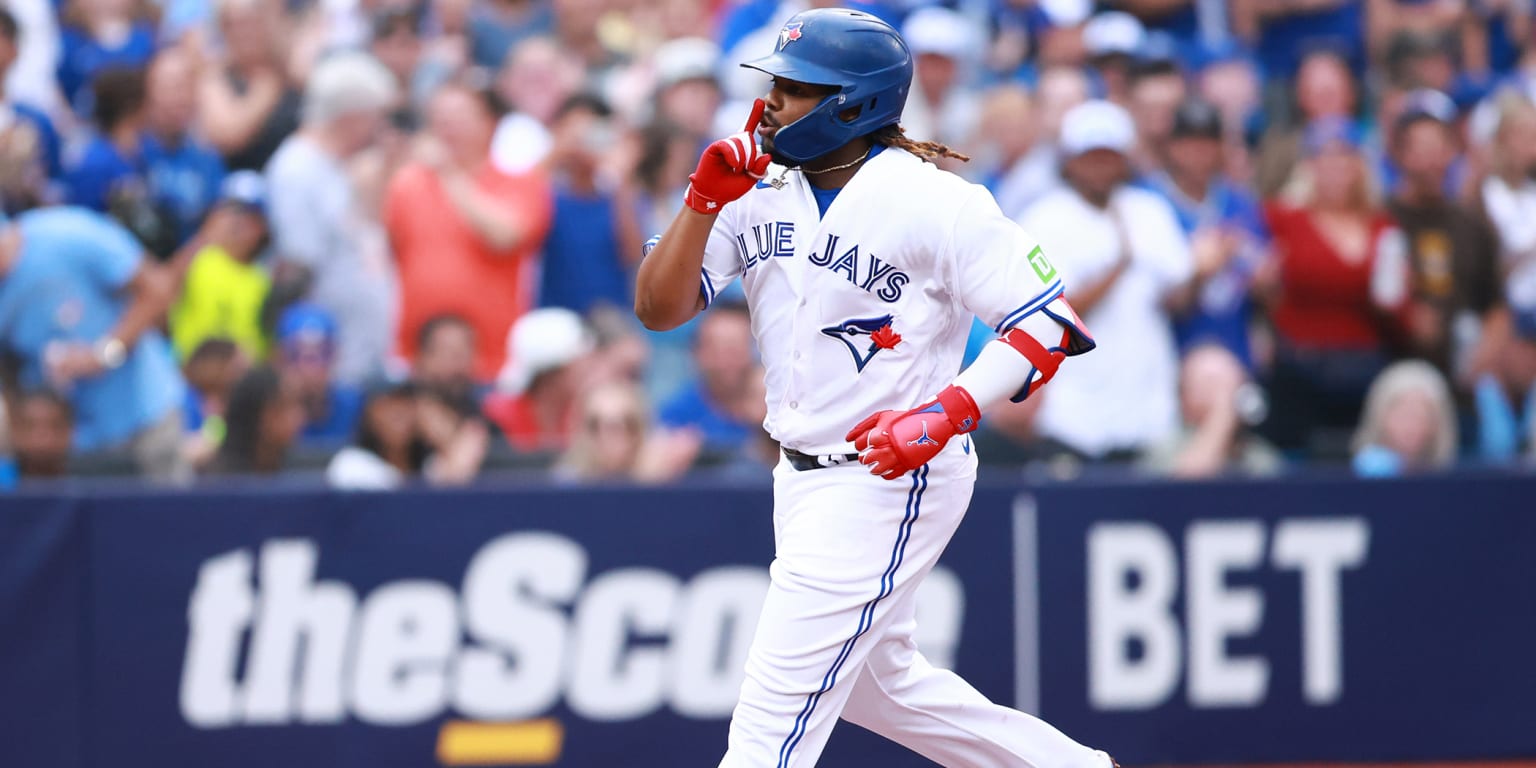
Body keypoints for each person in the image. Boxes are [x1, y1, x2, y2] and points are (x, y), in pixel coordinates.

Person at [634, 10, 1109, 767]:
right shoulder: (752, 184)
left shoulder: (935, 200)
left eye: (796, 87)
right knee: (876, 690)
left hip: (889, 474)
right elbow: (659, 309)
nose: (772, 101)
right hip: (799, 473)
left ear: (853, 103)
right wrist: (701, 199)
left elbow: (1048, 325)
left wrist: (950, 410)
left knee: (765, 733)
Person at [1020, 99, 1194, 463]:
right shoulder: (1044, 218)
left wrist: (1198, 275)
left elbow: (1180, 298)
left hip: (1147, 405)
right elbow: (1056, 311)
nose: (1100, 167)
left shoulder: (1149, 210)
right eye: (1091, 156)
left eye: (1109, 156)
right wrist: (1119, 266)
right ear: (1070, 160)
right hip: (1073, 414)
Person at [0, 206, 188, 480]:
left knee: (165, 517)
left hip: (142, 417)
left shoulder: (69, 234)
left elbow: (158, 289)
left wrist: (104, 354)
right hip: (59, 444)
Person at [1260, 117, 1409, 456]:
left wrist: (1397, 305)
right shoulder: (1281, 218)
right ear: (1308, 166)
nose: (1335, 168)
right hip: (1299, 367)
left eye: (1345, 157)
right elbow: (1253, 270)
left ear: (1360, 166)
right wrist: (1263, 289)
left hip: (1366, 366)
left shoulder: (1382, 226)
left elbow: (1398, 309)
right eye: (1325, 158)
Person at [384, 82, 552, 381]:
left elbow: (506, 236)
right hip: (417, 358)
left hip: (492, 360)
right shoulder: (407, 183)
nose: (447, 128)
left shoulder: (520, 182)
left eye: (459, 118)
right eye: (440, 119)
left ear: (490, 123)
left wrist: (449, 174)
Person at [265, 51, 400, 386]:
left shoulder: (339, 166)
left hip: (365, 361)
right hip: (331, 368)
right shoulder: (297, 169)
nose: (379, 129)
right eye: (375, 117)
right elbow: (298, 269)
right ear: (351, 116)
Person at [1385, 89, 1503, 385]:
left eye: (1438, 147)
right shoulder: (1380, 219)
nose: (1429, 161)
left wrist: (1482, 357)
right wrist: (1407, 316)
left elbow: (1496, 306)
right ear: (1398, 154)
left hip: (1460, 373)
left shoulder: (1472, 224)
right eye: (1419, 149)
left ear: (1453, 151)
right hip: (1389, 368)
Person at [1145, 97, 1271, 368]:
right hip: (1169, 358)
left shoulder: (1240, 203)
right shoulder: (1148, 202)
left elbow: (1266, 290)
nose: (1198, 152)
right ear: (1172, 146)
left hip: (1234, 350)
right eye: (1188, 142)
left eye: (1207, 141)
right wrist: (1199, 271)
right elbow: (1153, 299)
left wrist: (1265, 281)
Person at [170, 170, 271, 361]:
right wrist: (206, 237)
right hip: (189, 377)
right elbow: (165, 291)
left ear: (262, 227)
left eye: (249, 216)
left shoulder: (263, 280)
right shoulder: (199, 257)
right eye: (231, 212)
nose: (238, 223)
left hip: (241, 385)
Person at [1140, 344, 1284, 478]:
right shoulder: (1165, 452)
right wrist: (1222, 414)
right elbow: (1182, 491)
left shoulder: (1261, 457)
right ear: (1184, 397)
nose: (1229, 392)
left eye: (1234, 382)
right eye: (1212, 383)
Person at [482, 307, 595, 453]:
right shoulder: (497, 420)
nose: (587, 368)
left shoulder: (586, 415)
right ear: (551, 374)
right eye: (577, 361)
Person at [657, 299, 759, 457]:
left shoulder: (778, 408)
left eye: (734, 349)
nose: (724, 361)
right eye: (715, 350)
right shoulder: (678, 414)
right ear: (697, 353)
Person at [553, 379, 700, 484]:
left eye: (627, 423)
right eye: (595, 424)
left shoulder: (665, 478)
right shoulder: (565, 482)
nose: (608, 435)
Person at [271, 303, 364, 444]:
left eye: (322, 354)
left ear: (336, 356)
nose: (309, 368)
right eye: (296, 354)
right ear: (279, 359)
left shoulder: (354, 407)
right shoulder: (268, 412)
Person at [1351, 359, 1459, 476]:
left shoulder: (1449, 478)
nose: (1411, 426)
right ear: (1380, 416)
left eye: (1421, 416)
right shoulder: (1365, 471)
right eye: (1403, 414)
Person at [210, 363, 305, 474]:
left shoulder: (299, 469)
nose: (299, 416)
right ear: (258, 416)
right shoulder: (216, 481)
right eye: (287, 406)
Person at [8, 389, 73, 479]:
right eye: (29, 427)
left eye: (54, 426)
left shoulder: (89, 482)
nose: (42, 437)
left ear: (69, 432)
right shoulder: (3, 481)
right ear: (15, 431)